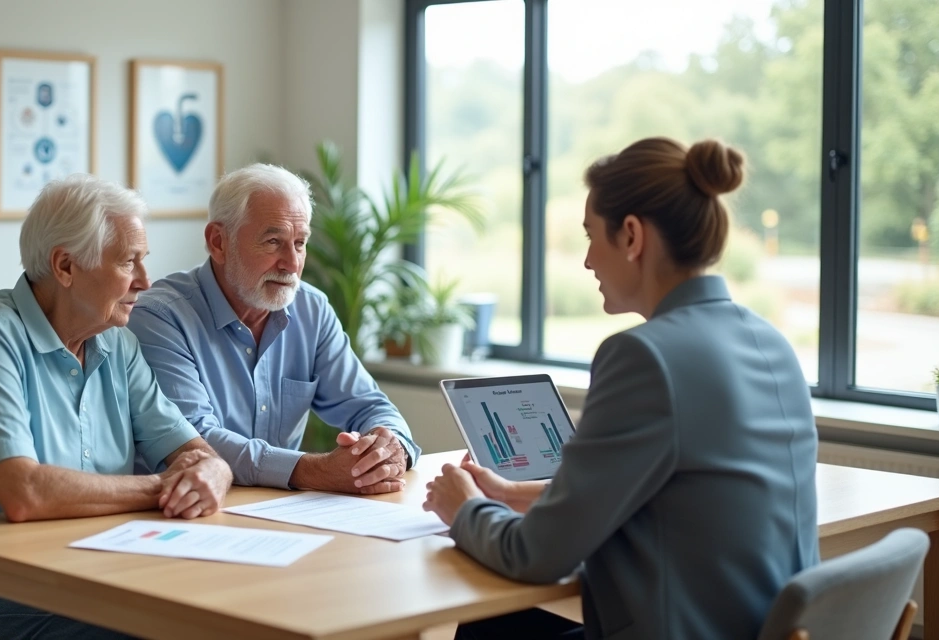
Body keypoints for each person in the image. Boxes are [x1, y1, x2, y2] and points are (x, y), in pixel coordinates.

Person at [423, 138, 819, 640]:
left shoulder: (644, 357)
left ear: (631, 235)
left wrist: (464, 509)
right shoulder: (770, 341)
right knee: (504, 622)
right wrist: (517, 496)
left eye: (592, 236)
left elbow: (534, 558)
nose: (588, 260)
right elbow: (681, 495)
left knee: (487, 621)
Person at [0, 174, 233, 640]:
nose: (144, 282)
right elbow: (24, 493)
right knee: (149, 625)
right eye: (128, 262)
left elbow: (195, 453)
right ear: (66, 265)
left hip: (77, 560)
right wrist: (162, 487)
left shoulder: (119, 346)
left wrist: (215, 473)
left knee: (212, 602)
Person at [127, 163, 420, 494]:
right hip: (183, 513)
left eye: (300, 242)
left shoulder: (312, 309)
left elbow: (369, 405)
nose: (292, 264)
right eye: (273, 241)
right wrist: (315, 471)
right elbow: (194, 441)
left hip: (281, 514)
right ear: (218, 242)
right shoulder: (160, 316)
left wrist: (389, 447)